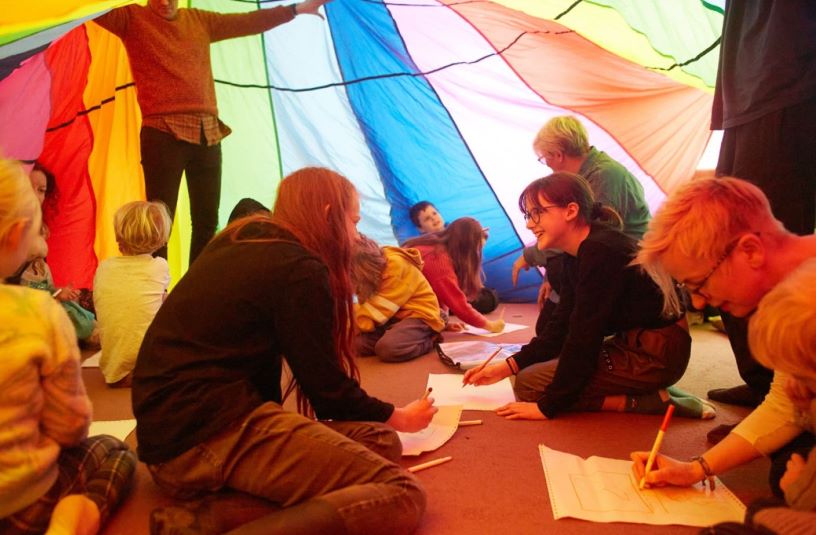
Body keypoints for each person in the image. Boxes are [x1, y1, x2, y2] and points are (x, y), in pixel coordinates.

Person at [133, 167, 435, 534]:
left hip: (174, 432)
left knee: (380, 441)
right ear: (328, 215)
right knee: (401, 494)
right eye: (353, 222)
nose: (356, 237)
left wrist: (383, 422)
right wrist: (398, 415)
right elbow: (328, 393)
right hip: (203, 437)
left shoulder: (244, 239)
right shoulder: (299, 268)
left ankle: (209, 517)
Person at [93, 0, 331, 264]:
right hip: (162, 133)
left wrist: (294, 9)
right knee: (159, 223)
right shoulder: (132, 19)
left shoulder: (198, 20)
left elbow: (248, 23)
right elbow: (86, 10)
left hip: (207, 134)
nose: (164, 1)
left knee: (207, 223)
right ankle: (156, 294)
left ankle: (196, 294)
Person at [463, 172, 710, 420]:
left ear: (570, 211)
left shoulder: (600, 251)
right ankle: (646, 385)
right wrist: (508, 366)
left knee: (530, 384)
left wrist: (547, 406)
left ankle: (649, 401)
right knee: (543, 365)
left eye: (537, 213)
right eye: (528, 215)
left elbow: (585, 334)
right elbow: (561, 325)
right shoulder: (576, 253)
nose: (529, 223)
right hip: (634, 342)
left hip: (655, 355)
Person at [629, 177, 816, 497]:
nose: (699, 303)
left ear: (750, 251)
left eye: (698, 285)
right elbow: (784, 404)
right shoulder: (796, 295)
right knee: (789, 466)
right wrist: (696, 468)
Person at [0, 158, 136, 535]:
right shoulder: (38, 313)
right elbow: (71, 426)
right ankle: (77, 515)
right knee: (114, 449)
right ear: (16, 236)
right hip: (23, 505)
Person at [702, 1, 816, 415]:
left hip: (788, 89)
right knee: (722, 240)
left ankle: (788, 395)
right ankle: (763, 380)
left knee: (764, 250)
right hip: (743, 103)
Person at [511, 115, 652, 334]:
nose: (546, 165)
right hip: (597, 258)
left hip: (630, 267)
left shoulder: (604, 176)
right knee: (545, 327)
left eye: (543, 158)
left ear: (558, 154)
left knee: (553, 328)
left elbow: (585, 237)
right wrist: (549, 277)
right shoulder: (583, 175)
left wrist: (532, 256)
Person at [93, 201, 171, 388]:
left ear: (119, 238)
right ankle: (147, 371)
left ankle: (124, 371)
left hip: (113, 363)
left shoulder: (104, 267)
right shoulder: (159, 266)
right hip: (149, 357)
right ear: (160, 239)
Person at [17, 163, 97, 345]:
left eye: (41, 190)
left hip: (43, 300)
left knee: (85, 305)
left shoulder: (39, 229)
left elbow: (41, 282)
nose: (35, 196)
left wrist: (59, 292)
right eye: (28, 188)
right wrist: (53, 296)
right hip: (23, 308)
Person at [352, 234, 445, 362]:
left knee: (387, 349)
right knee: (355, 344)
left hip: (418, 315)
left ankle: (430, 338)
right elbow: (367, 307)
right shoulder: (369, 271)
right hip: (391, 317)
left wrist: (349, 324)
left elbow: (375, 313)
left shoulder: (396, 266)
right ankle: (401, 338)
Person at [403, 217, 504, 333]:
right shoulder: (437, 257)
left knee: (487, 296)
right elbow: (456, 302)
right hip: (401, 307)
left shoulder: (437, 245)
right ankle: (429, 336)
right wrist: (488, 325)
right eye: (474, 250)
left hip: (405, 300)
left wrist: (444, 323)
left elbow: (442, 293)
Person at [408, 200, 499, 314]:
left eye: (434, 213)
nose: (433, 218)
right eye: (427, 219)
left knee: (490, 295)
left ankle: (455, 304)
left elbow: (466, 268)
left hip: (455, 287)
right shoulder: (431, 248)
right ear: (421, 228)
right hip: (436, 293)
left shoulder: (456, 233)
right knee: (487, 301)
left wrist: (475, 241)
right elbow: (447, 278)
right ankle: (452, 306)